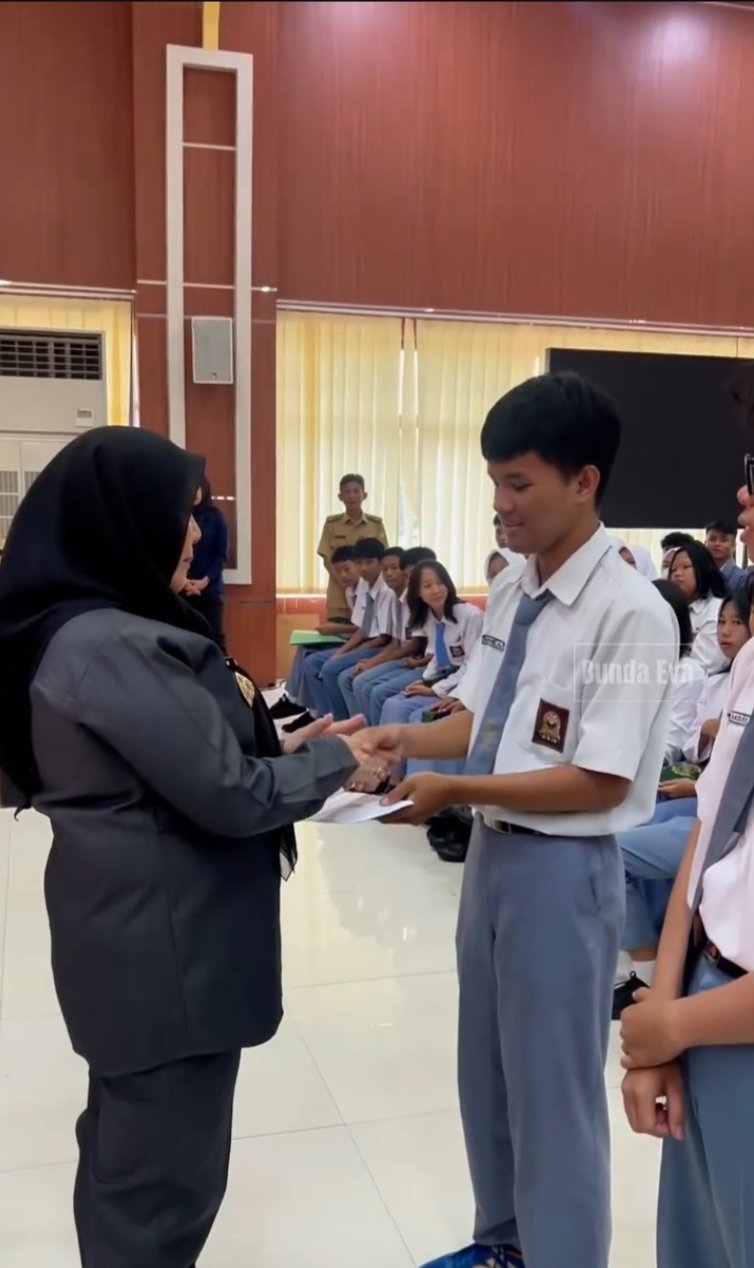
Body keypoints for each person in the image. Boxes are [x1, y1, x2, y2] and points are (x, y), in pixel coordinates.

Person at [0, 427, 396, 1268]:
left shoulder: (89, 631)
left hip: (136, 944)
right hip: (167, 954)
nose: (195, 532)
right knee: (160, 1197)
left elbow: (166, 763)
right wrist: (339, 760)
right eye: (181, 512)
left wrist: (281, 748)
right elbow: (229, 793)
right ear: (124, 520)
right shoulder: (115, 644)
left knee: (126, 1168)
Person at [371, 372, 678, 1268]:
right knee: (487, 1072)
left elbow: (599, 781)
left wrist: (456, 792)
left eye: (518, 483)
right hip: (493, 862)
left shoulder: (631, 613)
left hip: (563, 872)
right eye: (493, 481)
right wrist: (404, 740)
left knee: (553, 1093)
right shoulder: (512, 590)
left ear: (584, 482)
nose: (500, 503)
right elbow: (481, 720)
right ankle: (504, 1245)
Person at [620, 480, 754, 1268]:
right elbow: (707, 839)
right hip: (707, 998)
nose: (743, 495)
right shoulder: (751, 663)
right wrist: (666, 1017)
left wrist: (675, 1026)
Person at [612, 579, 754, 1017]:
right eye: (724, 622)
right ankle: (655, 972)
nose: (727, 631)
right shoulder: (738, 670)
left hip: (710, 808)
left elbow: (683, 748)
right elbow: (701, 751)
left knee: (615, 845)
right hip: (706, 802)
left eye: (736, 622)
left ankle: (650, 971)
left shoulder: (692, 672)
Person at [378, 561, 483, 727]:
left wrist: (434, 689)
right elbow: (437, 657)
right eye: (427, 586)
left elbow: (474, 666)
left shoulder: (470, 616)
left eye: (440, 583)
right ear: (417, 592)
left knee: (415, 716)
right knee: (392, 704)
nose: (436, 590)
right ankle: (383, 743)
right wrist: (425, 681)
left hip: (466, 683)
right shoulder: (428, 615)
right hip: (446, 678)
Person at [303, 537, 391, 721]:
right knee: (311, 661)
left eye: (369, 562)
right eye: (360, 563)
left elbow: (383, 638)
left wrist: (347, 652)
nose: (364, 568)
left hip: (381, 646)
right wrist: (343, 651)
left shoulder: (386, 590)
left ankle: (342, 721)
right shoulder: (366, 586)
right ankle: (324, 716)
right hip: (369, 642)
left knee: (331, 668)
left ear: (380, 562)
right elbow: (363, 629)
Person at [270, 545, 361, 723]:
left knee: (312, 661)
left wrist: (336, 629)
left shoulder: (368, 590)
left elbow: (366, 630)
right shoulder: (350, 591)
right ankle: (295, 701)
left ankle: (321, 714)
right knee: (304, 648)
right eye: (338, 571)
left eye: (347, 569)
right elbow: (358, 625)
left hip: (363, 642)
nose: (343, 575)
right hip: (353, 637)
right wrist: (338, 629)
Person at [317, 473, 388, 619]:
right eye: (347, 492)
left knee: (368, 628)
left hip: (369, 592)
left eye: (356, 491)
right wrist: (344, 582)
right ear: (340, 496)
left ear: (364, 495)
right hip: (339, 593)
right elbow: (327, 559)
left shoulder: (375, 525)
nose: (352, 495)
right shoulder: (332, 525)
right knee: (337, 630)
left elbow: (382, 557)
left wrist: (362, 584)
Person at [668, 540, 728, 674]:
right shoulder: (668, 610)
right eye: (673, 570)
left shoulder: (717, 609)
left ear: (702, 569)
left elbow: (705, 663)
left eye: (685, 567)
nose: (677, 574)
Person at [184, 477, 229, 649]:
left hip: (210, 591)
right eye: (191, 487)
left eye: (198, 487)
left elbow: (221, 556)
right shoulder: (182, 515)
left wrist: (204, 582)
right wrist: (185, 583)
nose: (195, 492)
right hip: (185, 590)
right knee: (188, 641)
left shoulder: (216, 517)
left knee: (214, 640)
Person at [704, 516, 744, 588]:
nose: (717, 544)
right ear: (705, 543)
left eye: (724, 540)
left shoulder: (743, 579)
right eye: (712, 539)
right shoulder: (699, 575)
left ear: (733, 546)